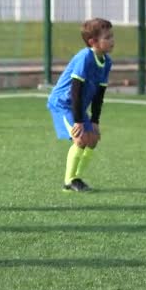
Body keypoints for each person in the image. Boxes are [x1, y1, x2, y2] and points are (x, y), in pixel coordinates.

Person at [47, 18, 114, 192]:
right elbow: (75, 90)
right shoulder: (85, 57)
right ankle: (70, 181)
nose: (112, 41)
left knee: (92, 140)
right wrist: (78, 121)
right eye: (107, 37)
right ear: (93, 42)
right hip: (63, 104)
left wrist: (95, 121)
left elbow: (99, 95)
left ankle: (76, 179)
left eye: (112, 36)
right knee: (81, 138)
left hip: (77, 108)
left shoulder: (107, 62)